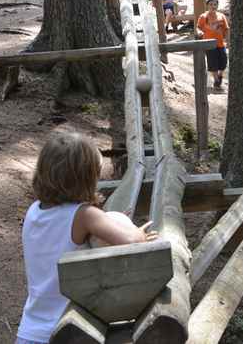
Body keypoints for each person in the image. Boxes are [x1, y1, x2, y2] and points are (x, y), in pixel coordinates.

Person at [16, 133, 157, 344]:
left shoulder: (34, 211)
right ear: (86, 178)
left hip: (30, 331)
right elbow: (133, 240)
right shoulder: (84, 215)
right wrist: (139, 232)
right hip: (68, 331)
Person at [196, 0, 230, 90]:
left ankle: (220, 75)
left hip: (220, 43)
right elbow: (198, 27)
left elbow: (226, 29)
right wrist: (199, 32)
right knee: (212, 62)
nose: (213, 6)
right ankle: (216, 81)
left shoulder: (221, 16)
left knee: (223, 61)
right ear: (207, 6)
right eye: (211, 4)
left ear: (217, 6)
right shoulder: (203, 16)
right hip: (209, 43)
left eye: (215, 4)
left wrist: (228, 40)